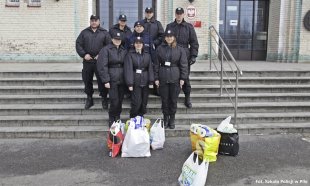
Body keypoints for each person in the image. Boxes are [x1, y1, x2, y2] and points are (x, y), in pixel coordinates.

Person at [166, 7, 199, 108]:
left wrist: (193, 55)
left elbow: (194, 42)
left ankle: (187, 98)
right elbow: (165, 40)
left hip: (185, 55)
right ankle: (172, 98)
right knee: (173, 77)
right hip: (172, 55)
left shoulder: (189, 27)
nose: (179, 15)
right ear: (175, 14)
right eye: (177, 13)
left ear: (183, 14)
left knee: (185, 78)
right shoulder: (170, 26)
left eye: (180, 14)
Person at [154, 29, 188, 129]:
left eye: (171, 37)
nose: (169, 38)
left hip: (175, 77)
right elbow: (155, 65)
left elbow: (184, 65)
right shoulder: (159, 49)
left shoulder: (180, 49)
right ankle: (165, 118)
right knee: (164, 100)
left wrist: (183, 78)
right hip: (163, 76)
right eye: (167, 37)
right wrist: (156, 78)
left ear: (174, 38)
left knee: (173, 100)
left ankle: (172, 118)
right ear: (165, 38)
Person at [76, 15, 111, 110]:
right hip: (87, 61)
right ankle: (89, 98)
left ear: (99, 21)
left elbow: (108, 46)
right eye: (92, 20)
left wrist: (101, 55)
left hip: (100, 62)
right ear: (90, 21)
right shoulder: (84, 32)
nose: (94, 22)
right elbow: (78, 44)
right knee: (87, 80)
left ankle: (104, 98)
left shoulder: (104, 33)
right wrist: (84, 55)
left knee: (101, 80)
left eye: (96, 20)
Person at [97, 32, 127, 127]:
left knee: (120, 100)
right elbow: (102, 66)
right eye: (115, 39)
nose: (117, 41)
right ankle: (111, 117)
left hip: (122, 79)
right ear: (112, 39)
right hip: (112, 79)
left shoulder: (123, 50)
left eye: (119, 39)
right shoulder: (106, 50)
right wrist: (106, 80)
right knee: (114, 100)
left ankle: (117, 117)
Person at [124, 37, 154, 118]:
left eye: (140, 43)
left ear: (143, 45)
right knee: (136, 102)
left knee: (144, 102)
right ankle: (133, 117)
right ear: (134, 44)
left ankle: (141, 118)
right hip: (135, 81)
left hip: (145, 80)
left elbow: (150, 68)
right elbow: (128, 69)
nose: (138, 45)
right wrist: (130, 84)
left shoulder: (147, 55)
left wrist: (151, 81)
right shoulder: (130, 55)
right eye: (136, 43)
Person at [141, 7, 164, 96]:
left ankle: (155, 89)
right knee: (144, 68)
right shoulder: (141, 23)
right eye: (147, 12)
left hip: (154, 50)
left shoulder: (157, 24)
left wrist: (154, 43)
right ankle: (145, 87)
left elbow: (162, 36)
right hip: (143, 50)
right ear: (145, 13)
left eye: (150, 12)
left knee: (154, 68)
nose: (148, 14)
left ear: (153, 13)